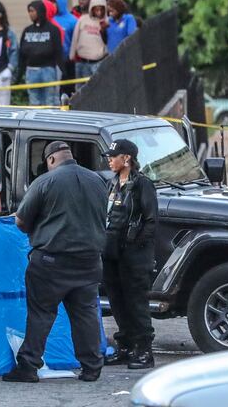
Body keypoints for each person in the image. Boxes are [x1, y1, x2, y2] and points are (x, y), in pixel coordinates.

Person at [2, 141, 107, 383]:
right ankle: (92, 367)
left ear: (50, 160)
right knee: (86, 314)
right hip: (90, 261)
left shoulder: (46, 181)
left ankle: (28, 367)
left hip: (51, 262)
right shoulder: (98, 181)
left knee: (41, 314)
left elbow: (21, 221)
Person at [101, 139, 158, 369]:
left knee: (136, 303)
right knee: (117, 301)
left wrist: (135, 244)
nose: (109, 159)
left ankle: (144, 350)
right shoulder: (112, 183)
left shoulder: (142, 184)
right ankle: (125, 347)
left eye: (114, 156)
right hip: (112, 252)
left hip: (134, 255)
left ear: (127, 158)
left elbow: (151, 221)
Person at [18, 0, 64, 106]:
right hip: (31, 71)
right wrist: (19, 74)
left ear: (40, 11)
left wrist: (63, 70)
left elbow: (58, 51)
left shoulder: (53, 30)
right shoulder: (27, 30)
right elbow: (22, 54)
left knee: (50, 102)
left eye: (33, 11)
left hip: (48, 70)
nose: (30, 14)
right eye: (29, 11)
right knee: (34, 102)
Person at [69, 0, 108, 91]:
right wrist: (72, 54)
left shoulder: (106, 22)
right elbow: (75, 37)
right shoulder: (83, 19)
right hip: (82, 61)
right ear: (91, 8)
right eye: (96, 9)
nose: (98, 12)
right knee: (80, 90)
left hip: (98, 62)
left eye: (101, 9)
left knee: (98, 89)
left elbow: (109, 41)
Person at [49, 0, 79, 98]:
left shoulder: (73, 20)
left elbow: (76, 41)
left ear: (61, 2)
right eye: (50, 2)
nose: (52, 4)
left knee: (68, 92)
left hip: (68, 62)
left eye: (54, 2)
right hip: (52, 62)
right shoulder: (49, 20)